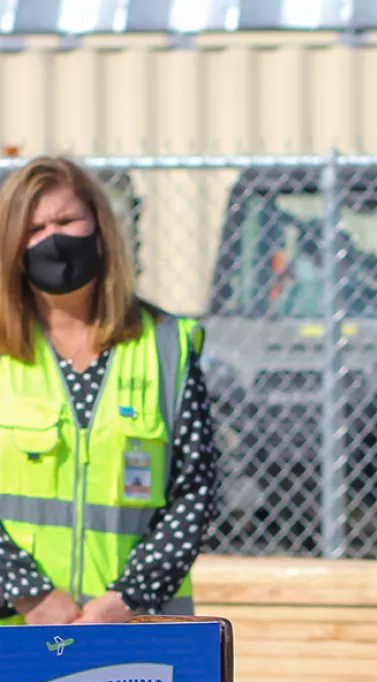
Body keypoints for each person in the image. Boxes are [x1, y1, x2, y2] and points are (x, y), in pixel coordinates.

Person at [0, 156, 217, 626]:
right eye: (33, 229)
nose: (52, 239)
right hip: (18, 633)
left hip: (135, 633)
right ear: (13, 247)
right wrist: (28, 592)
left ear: (100, 228)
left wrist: (126, 599)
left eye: (65, 221)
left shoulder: (167, 346)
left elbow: (194, 490)